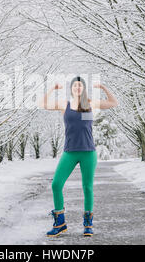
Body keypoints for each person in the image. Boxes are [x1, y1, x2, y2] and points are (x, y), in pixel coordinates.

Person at [37, 76, 118, 237]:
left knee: (87, 187)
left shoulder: (91, 104)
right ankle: (60, 223)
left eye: (80, 86)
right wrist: (53, 88)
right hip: (70, 152)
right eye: (75, 85)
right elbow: (42, 104)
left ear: (84, 89)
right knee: (56, 184)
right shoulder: (64, 105)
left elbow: (113, 102)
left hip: (88, 152)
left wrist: (102, 88)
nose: (78, 88)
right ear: (72, 89)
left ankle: (88, 224)